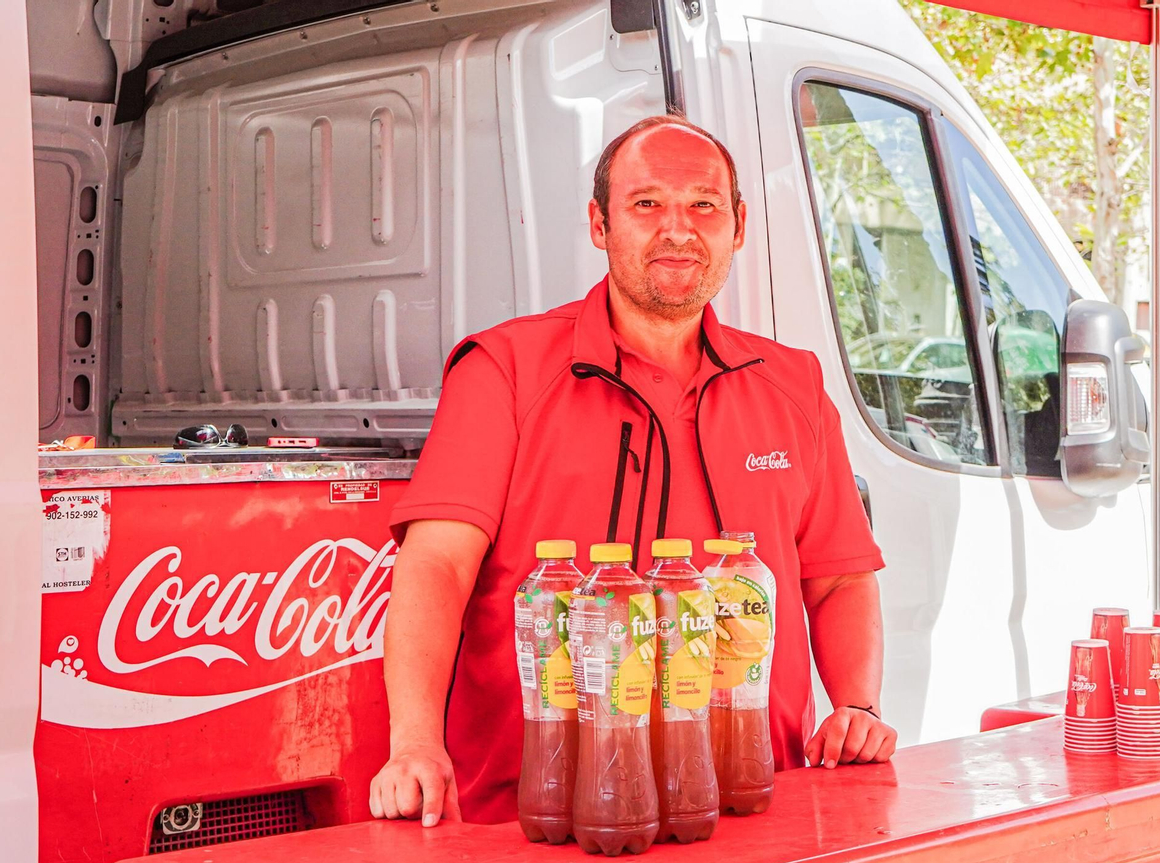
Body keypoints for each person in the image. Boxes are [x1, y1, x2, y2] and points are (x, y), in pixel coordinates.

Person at [370, 114, 895, 826]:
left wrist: (857, 706)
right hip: (538, 818)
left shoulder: (793, 385)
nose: (678, 229)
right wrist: (415, 744)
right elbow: (437, 567)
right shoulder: (505, 371)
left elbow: (837, 578)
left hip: (745, 805)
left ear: (738, 226)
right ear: (599, 223)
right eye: (647, 204)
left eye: (703, 205)